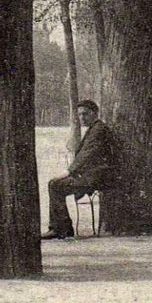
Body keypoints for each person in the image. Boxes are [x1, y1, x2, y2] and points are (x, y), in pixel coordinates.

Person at [43, 100, 115, 240]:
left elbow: (87, 154)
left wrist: (69, 171)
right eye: (80, 115)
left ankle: (60, 229)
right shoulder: (94, 128)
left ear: (95, 114)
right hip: (92, 174)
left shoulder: (98, 129)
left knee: (55, 185)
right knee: (55, 184)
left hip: (98, 177)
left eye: (85, 114)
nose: (82, 118)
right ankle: (62, 228)